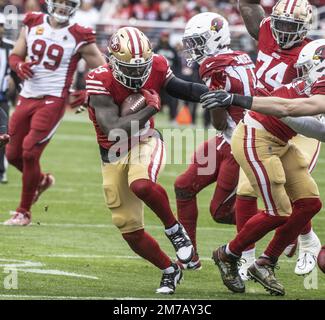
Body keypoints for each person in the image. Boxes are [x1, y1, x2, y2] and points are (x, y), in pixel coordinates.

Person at [86, 26, 209, 294]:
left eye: (141, 67)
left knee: (141, 184)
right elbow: (113, 130)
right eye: (129, 68)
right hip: (112, 150)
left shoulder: (157, 64)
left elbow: (181, 88)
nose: (137, 73)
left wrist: (211, 93)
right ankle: (169, 269)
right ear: (113, 61)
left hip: (145, 139)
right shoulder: (99, 79)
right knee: (128, 228)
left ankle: (175, 231)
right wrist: (151, 107)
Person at [200, 39, 325, 296]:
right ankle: (228, 254)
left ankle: (265, 262)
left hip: (278, 140)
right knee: (278, 212)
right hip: (255, 137)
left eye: (304, 69)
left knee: (309, 204)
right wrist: (236, 98)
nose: (301, 77)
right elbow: (288, 109)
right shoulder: (317, 90)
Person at [227, 0, 321, 278]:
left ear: (305, 28)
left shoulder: (313, 53)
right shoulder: (268, 28)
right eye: (279, 23)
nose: (282, 30)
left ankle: (305, 240)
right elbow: (246, 4)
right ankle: (246, 257)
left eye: (291, 26)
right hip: (262, 124)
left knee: (298, 195)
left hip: (304, 127)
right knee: (247, 190)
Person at [5, 0, 106, 226]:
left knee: (30, 152)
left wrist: (89, 91)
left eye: (68, 3)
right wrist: (19, 66)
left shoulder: (79, 34)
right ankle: (41, 180)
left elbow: (103, 70)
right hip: (27, 95)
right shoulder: (32, 22)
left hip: (53, 100)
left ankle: (24, 212)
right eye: (59, 2)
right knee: (12, 155)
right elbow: (15, 54)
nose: (62, 7)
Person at [174, 12, 256, 270]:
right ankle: (189, 256)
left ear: (216, 38)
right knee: (184, 186)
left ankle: (277, 222)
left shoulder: (213, 65)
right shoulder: (239, 56)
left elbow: (219, 120)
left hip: (240, 142)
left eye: (199, 41)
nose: (194, 48)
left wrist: (213, 103)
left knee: (221, 211)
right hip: (230, 136)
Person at [0, 13, 19, 184]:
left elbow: (16, 75)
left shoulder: (10, 48)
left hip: (2, 98)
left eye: (1, 25)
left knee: (3, 136)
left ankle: (1, 171)